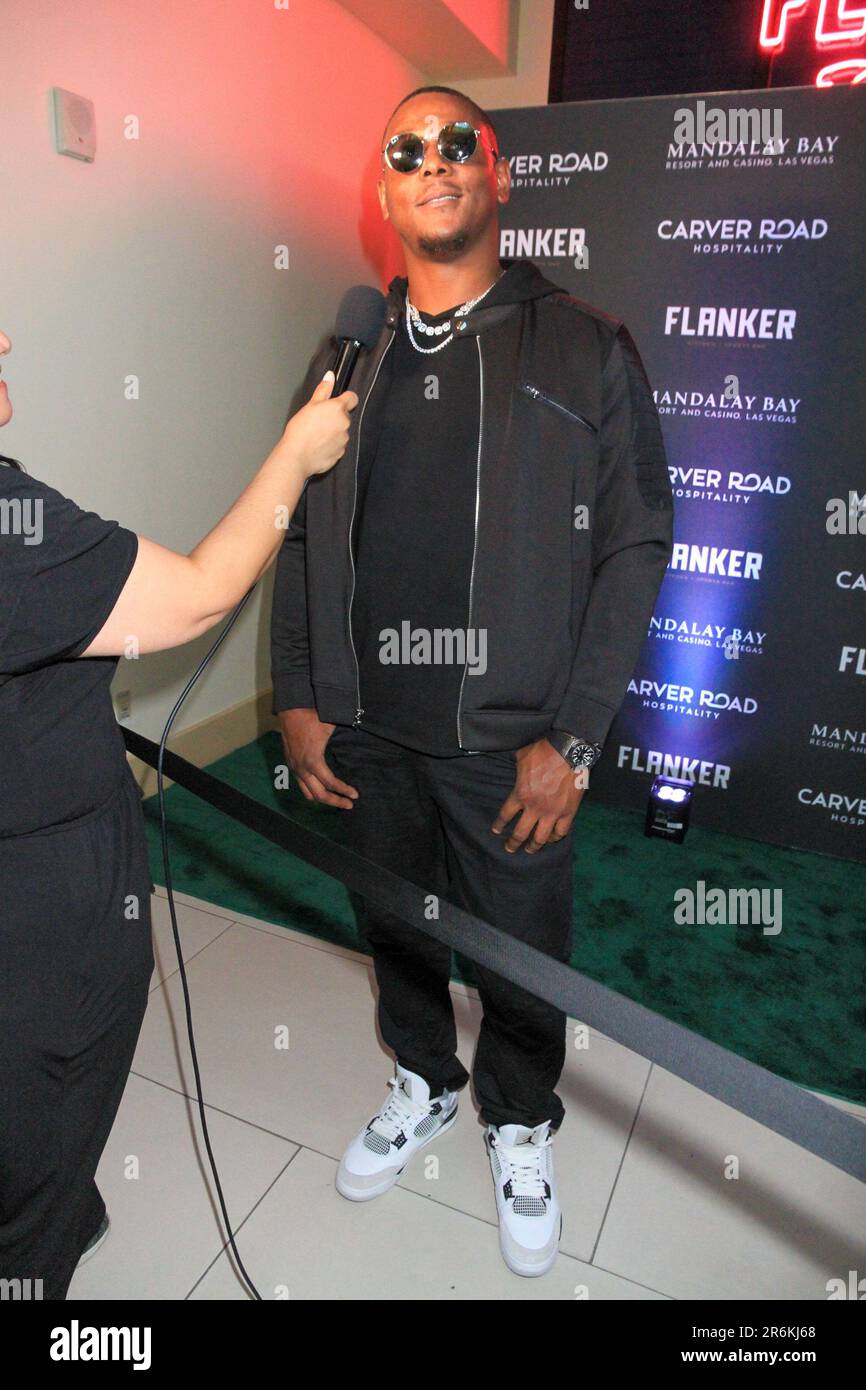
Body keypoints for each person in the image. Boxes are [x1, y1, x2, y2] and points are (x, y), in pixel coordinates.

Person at [271, 85, 674, 1278]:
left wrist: (580, 737)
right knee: (393, 923)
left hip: (515, 742)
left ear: (496, 178)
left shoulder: (584, 344)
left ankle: (518, 1116)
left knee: (516, 953)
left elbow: (636, 540)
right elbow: (297, 531)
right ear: (382, 191)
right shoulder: (350, 350)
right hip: (362, 726)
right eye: (405, 150)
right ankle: (423, 1077)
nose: (433, 162)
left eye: (459, 144)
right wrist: (297, 693)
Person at [0, 325, 357, 1300]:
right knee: (50, 1095)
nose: (3, 337)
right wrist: (293, 452)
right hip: (42, 894)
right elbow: (199, 597)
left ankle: (55, 1206)